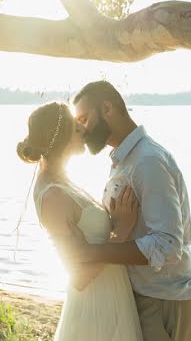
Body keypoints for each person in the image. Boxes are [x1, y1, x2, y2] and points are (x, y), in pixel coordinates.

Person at [61, 81, 191, 341]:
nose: (81, 128)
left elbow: (169, 244)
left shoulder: (147, 161)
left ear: (107, 108)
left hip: (163, 301)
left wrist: (91, 253)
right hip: (141, 296)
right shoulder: (123, 160)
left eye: (83, 118)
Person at [17, 101, 143, 340]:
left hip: (112, 296)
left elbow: (93, 240)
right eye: (76, 128)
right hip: (94, 309)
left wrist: (113, 221)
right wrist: (122, 229)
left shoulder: (64, 181)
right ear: (61, 139)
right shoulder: (53, 195)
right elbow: (80, 277)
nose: (84, 130)